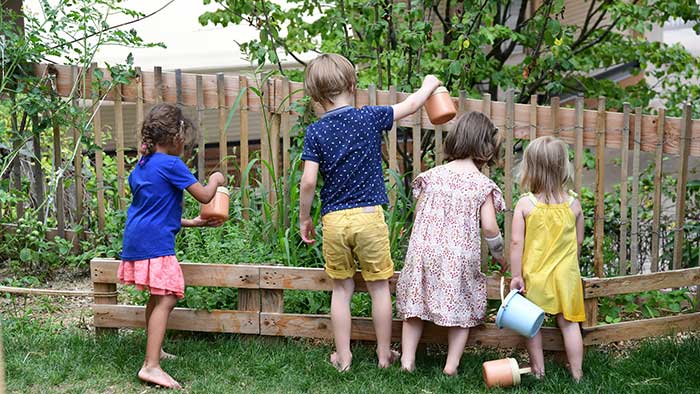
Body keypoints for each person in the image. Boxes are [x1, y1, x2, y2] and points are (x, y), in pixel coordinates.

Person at [298, 53, 442, 371]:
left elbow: (308, 181)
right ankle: (382, 355)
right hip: (368, 216)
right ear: (352, 84)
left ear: (317, 96)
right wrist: (428, 85)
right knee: (379, 288)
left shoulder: (315, 132)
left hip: (334, 220)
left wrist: (304, 217)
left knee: (341, 288)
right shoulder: (370, 117)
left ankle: (344, 358)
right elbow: (411, 106)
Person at [118, 103, 226, 388]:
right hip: (156, 242)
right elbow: (204, 196)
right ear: (177, 137)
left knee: (156, 297)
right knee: (167, 296)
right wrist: (215, 178)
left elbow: (153, 210)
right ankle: (150, 366)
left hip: (137, 238)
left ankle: (157, 351)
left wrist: (192, 223)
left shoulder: (143, 165)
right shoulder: (171, 164)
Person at [396, 111, 506, 376]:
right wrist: (501, 257)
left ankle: (407, 361)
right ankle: (450, 366)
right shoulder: (482, 185)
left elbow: (418, 212)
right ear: (485, 147)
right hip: (458, 255)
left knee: (414, 307)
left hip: (423, 251)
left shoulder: (431, 176)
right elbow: (490, 228)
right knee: (463, 307)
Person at [509, 136, 586, 382]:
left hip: (536, 276)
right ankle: (577, 373)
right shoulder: (574, 205)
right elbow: (579, 241)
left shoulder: (525, 205)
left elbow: (515, 243)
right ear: (563, 167)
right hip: (567, 277)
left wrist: (516, 275)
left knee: (533, 325)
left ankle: (539, 371)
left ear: (530, 168)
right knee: (570, 324)